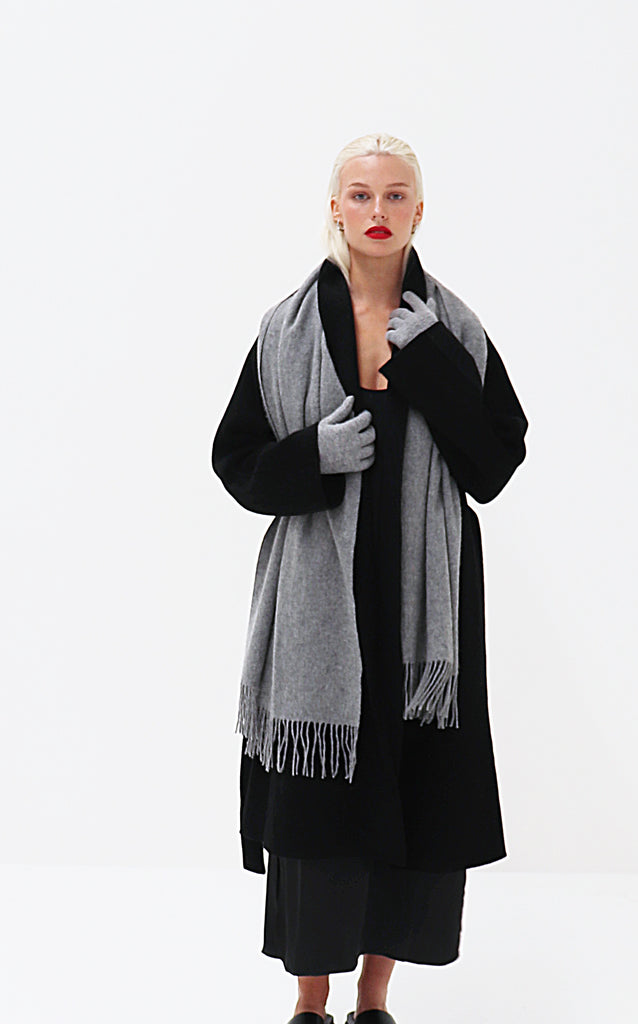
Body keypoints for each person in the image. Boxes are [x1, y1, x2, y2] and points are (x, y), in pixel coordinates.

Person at [211, 132, 529, 1024]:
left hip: (423, 615)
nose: (377, 211)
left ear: (418, 212)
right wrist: (310, 455)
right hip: (320, 610)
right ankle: (310, 1002)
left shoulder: (454, 330)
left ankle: (374, 1000)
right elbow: (235, 463)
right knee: (316, 814)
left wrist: (430, 364)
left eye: (395, 196)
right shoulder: (283, 331)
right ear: (335, 207)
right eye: (360, 194)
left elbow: (494, 464)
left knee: (410, 804)